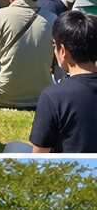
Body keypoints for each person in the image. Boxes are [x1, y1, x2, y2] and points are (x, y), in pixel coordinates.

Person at [30, 9, 97, 152]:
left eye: (54, 45)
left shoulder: (53, 96)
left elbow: (39, 157)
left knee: (14, 147)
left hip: (67, 172)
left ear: (63, 50)